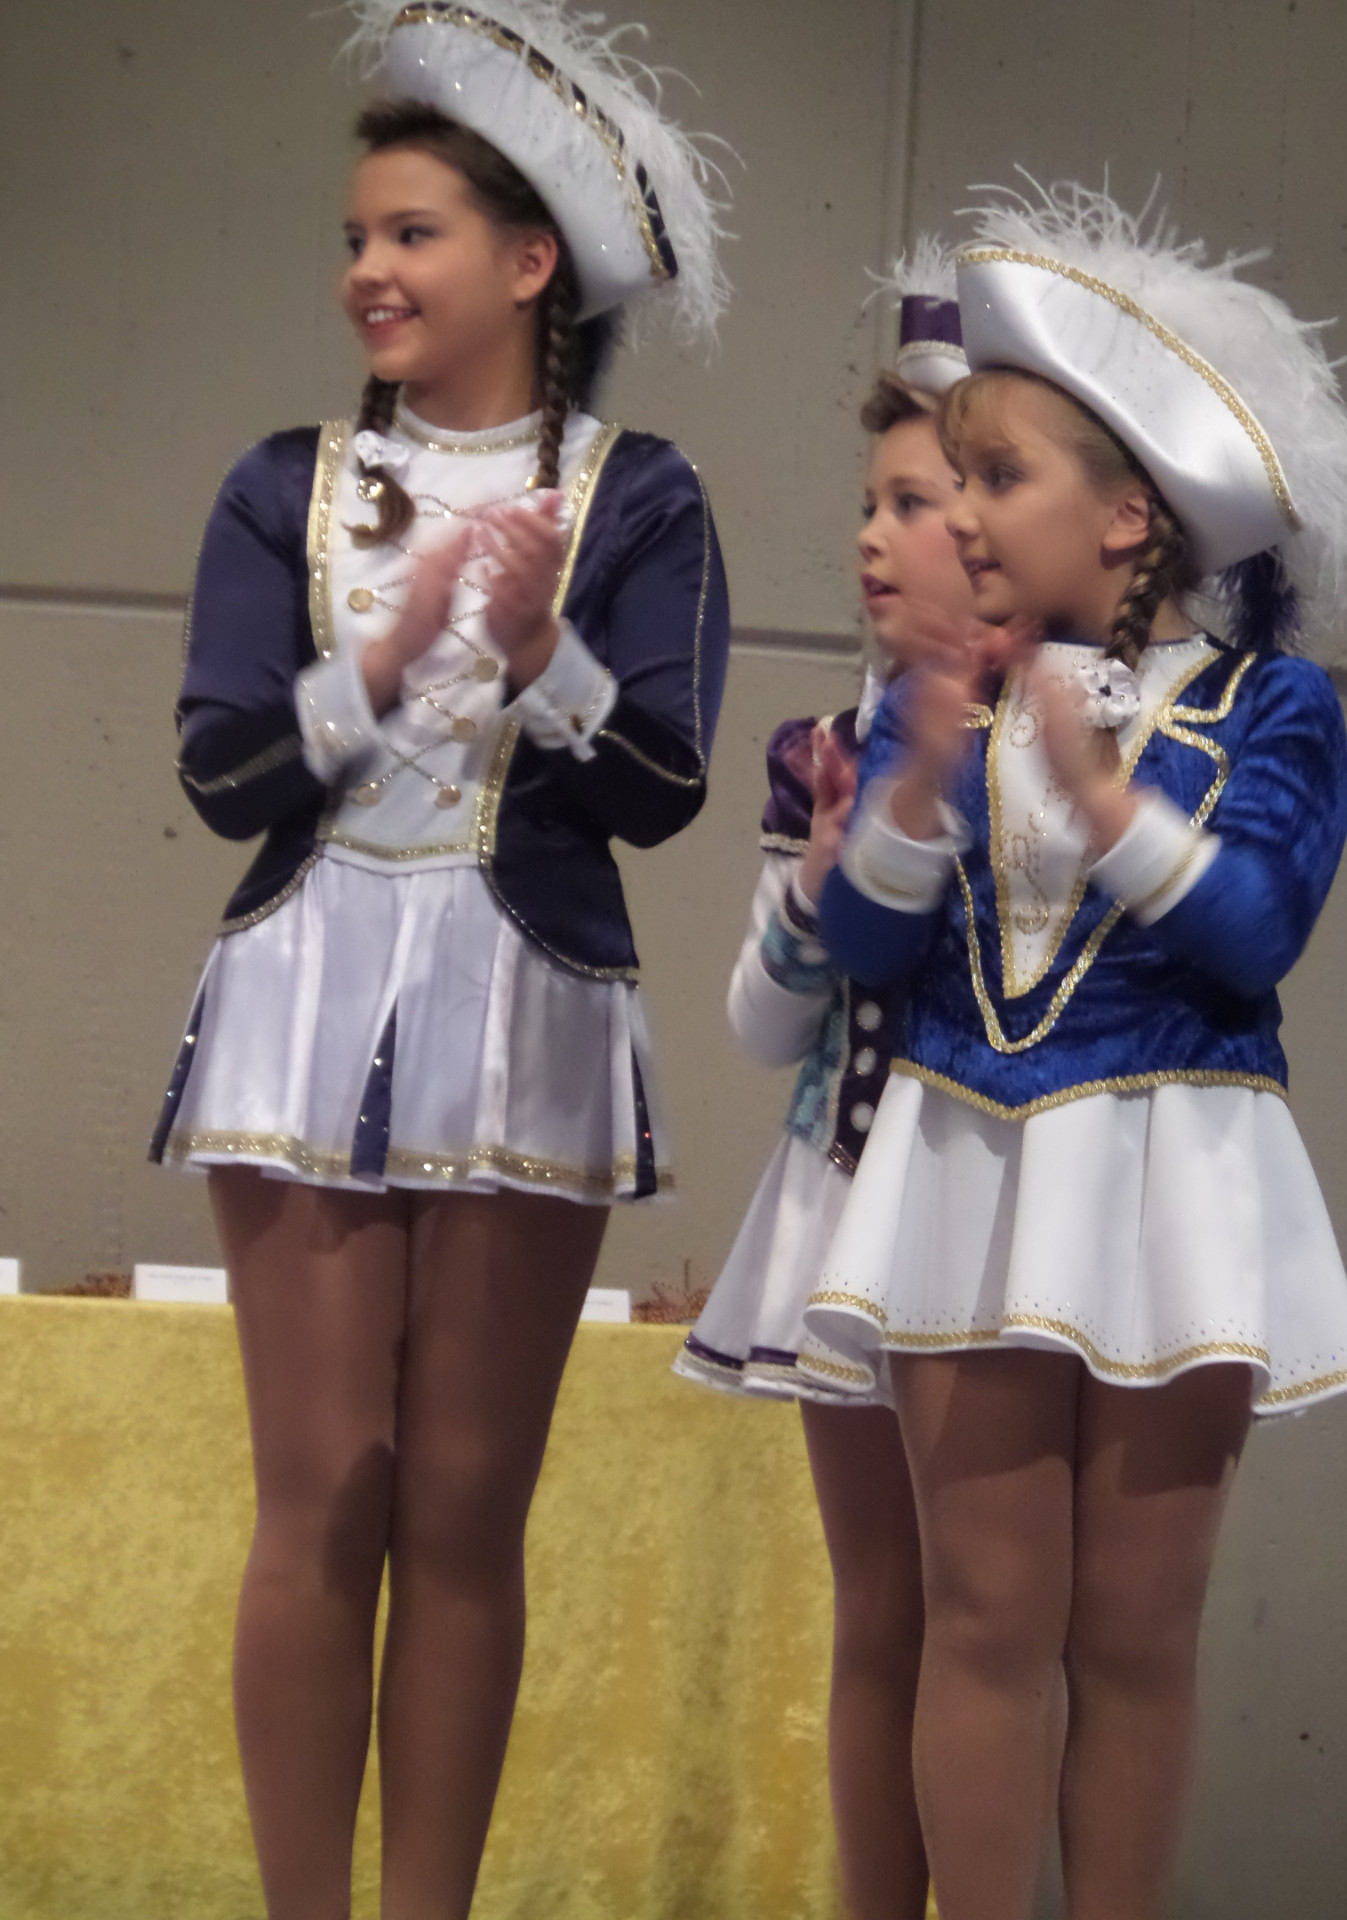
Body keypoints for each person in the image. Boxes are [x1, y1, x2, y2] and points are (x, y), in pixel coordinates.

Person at [149, 3, 729, 1914]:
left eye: (411, 232)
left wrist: (545, 652)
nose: (369, 270)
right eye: (356, 237)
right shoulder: (282, 483)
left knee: (467, 1509)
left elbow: (663, 790)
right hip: (306, 988)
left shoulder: (641, 497)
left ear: (530, 261)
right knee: (324, 1487)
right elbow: (222, 772)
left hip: (527, 1001)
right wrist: (385, 660)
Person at [807, 183, 1347, 1920]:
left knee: (1135, 1629)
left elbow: (1258, 931)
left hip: (1170, 1175)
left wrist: (1103, 799)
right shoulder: (942, 695)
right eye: (955, 479)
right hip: (966, 1162)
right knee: (985, 1615)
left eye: (999, 478)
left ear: (1131, 516)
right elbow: (864, 954)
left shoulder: (1264, 704)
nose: (963, 515)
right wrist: (918, 784)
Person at [676, 248, 970, 1920]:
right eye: (869, 502)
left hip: (993, 1199)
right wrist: (810, 882)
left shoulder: (1054, 741)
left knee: (995, 1619)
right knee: (885, 1611)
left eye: (912, 504)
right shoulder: (821, 752)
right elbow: (758, 1028)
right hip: (841, 1194)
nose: (871, 535)